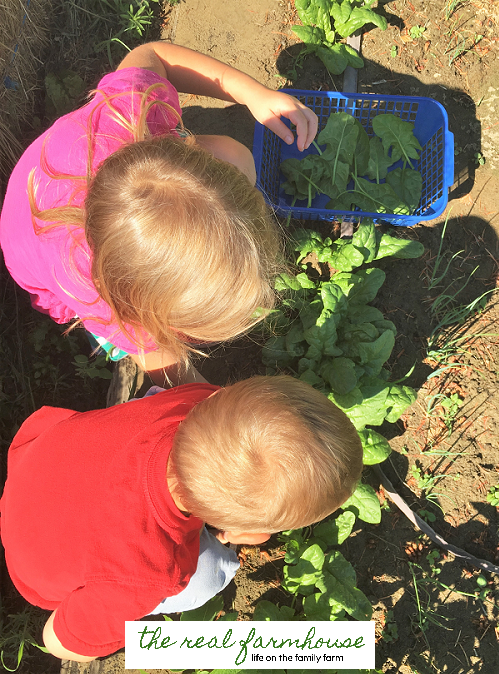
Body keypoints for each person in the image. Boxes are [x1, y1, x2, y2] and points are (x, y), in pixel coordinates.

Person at [0, 42, 318, 386]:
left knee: (236, 157)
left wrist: (250, 92)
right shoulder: (96, 291)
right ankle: (122, 335)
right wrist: (209, 401)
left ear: (180, 152)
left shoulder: (136, 104)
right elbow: (165, 366)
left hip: (67, 173)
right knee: (136, 337)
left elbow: (155, 54)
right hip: (32, 248)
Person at [0, 375, 363, 662]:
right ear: (238, 528)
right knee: (209, 574)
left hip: (37, 460)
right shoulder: (148, 573)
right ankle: (216, 550)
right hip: (32, 569)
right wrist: (225, 537)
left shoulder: (198, 400)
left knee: (155, 400)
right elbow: (57, 642)